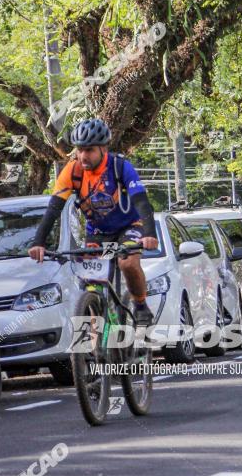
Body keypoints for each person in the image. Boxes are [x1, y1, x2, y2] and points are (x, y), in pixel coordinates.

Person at [28, 118, 158, 324]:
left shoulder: (120, 166)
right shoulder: (72, 171)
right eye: (79, 150)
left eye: (89, 150)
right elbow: (54, 209)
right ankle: (95, 332)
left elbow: (142, 202)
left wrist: (150, 234)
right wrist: (38, 242)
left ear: (103, 149)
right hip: (97, 231)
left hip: (128, 226)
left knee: (128, 263)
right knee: (90, 279)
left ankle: (140, 305)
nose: (82, 156)